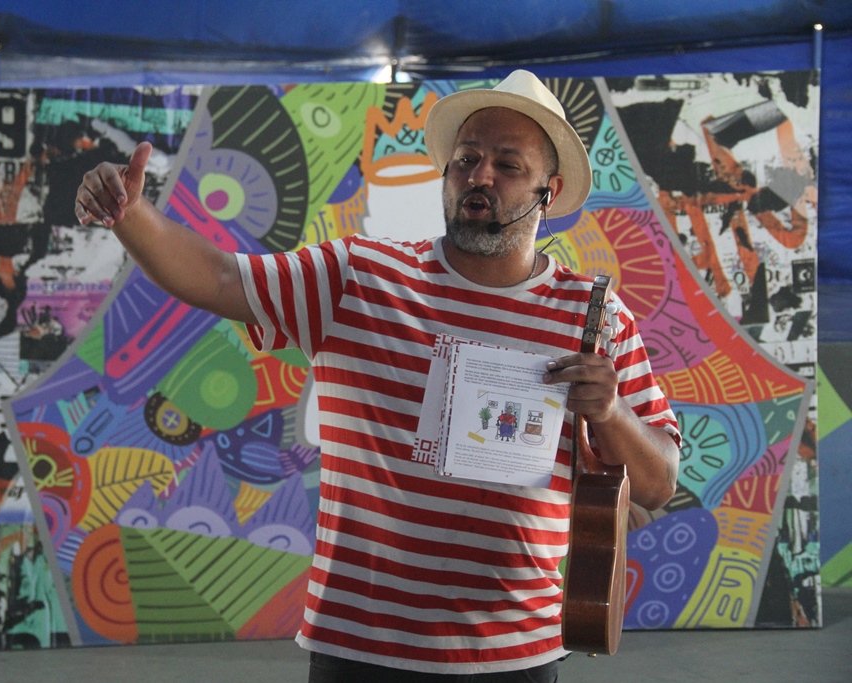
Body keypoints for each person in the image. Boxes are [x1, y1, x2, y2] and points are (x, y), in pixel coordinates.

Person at [75, 69, 681, 683]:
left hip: (516, 652)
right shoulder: (358, 277)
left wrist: (611, 413)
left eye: (507, 165)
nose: (480, 176)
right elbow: (219, 277)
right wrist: (130, 214)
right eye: (466, 159)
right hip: (359, 645)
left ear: (548, 192)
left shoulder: (595, 316)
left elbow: (658, 484)